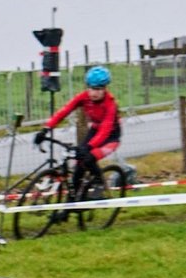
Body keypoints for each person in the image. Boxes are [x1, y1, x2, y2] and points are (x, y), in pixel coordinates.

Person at [36, 65, 124, 201]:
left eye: (98, 89)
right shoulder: (84, 97)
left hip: (111, 137)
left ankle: (99, 183)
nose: (93, 93)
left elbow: (105, 130)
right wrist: (46, 128)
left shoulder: (110, 104)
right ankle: (72, 204)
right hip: (95, 131)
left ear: (105, 88)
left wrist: (89, 147)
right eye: (90, 88)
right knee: (79, 165)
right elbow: (64, 111)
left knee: (89, 157)